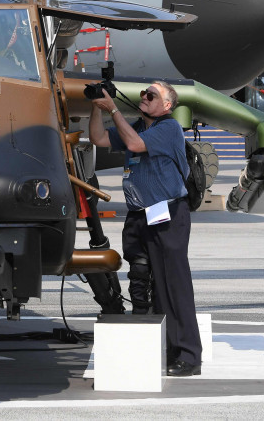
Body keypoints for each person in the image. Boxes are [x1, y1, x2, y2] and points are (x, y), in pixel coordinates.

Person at [88, 80, 202, 377]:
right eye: (144, 93)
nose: (145, 97)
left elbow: (135, 146)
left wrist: (113, 108)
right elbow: (98, 139)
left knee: (172, 285)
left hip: (167, 213)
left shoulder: (169, 128)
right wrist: (96, 108)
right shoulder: (137, 126)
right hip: (140, 214)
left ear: (166, 105)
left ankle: (188, 356)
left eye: (152, 95)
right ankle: (156, 348)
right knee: (141, 283)